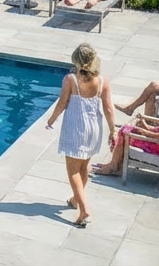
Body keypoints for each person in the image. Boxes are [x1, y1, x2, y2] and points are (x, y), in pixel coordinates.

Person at [44, 43, 114, 228]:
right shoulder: (102, 81)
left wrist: (51, 119)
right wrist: (112, 130)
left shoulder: (71, 80)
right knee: (84, 167)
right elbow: (108, 108)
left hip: (76, 128)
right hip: (94, 128)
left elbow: (62, 103)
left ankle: (83, 209)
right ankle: (76, 200)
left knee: (73, 170)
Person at [95, 80, 159, 177]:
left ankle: (113, 166)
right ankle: (116, 164)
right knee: (128, 129)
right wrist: (145, 125)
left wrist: (145, 132)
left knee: (124, 132)